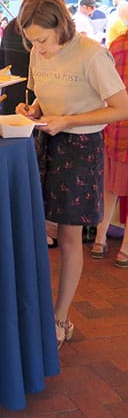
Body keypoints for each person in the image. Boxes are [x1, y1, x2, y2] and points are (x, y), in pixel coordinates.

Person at [15, 0, 128, 349]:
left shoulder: (92, 54)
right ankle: (38, 312)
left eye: (42, 40)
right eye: (31, 41)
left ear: (61, 26)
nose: (38, 48)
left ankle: (60, 318)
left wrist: (70, 121)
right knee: (40, 232)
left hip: (81, 149)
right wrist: (32, 109)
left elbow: (121, 108)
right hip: (45, 142)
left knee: (68, 237)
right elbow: (40, 98)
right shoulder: (37, 52)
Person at [0, 0, 67, 116]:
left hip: (12, 95)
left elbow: (3, 65)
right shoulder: (48, 29)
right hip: (36, 100)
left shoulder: (12, 25)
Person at [90, 29, 128, 266]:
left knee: (109, 190)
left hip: (113, 129)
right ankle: (125, 251)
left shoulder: (116, 44)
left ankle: (99, 240)